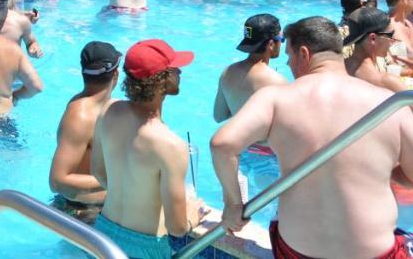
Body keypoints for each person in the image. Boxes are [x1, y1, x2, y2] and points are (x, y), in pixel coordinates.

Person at [210, 16, 413, 259]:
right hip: (377, 254)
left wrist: (233, 206)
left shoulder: (274, 98)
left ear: (304, 54)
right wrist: (385, 168)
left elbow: (222, 145)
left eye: (290, 58)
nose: (290, 66)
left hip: (296, 252)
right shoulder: (388, 102)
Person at [91, 39, 200, 258]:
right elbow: (176, 227)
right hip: (145, 248)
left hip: (102, 237)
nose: (180, 71)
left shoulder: (109, 111)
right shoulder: (170, 146)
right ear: (160, 81)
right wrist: (193, 214)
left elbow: (98, 173)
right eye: (174, 69)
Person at [213, 14, 286, 199]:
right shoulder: (277, 82)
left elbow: (219, 115)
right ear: (271, 44)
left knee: (239, 211)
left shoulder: (228, 73)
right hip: (268, 157)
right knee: (271, 209)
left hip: (239, 153)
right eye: (281, 40)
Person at [48, 41, 121, 221]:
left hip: (100, 208)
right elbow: (57, 181)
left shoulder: (105, 107)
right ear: (116, 74)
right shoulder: (80, 116)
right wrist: (117, 181)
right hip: (81, 213)